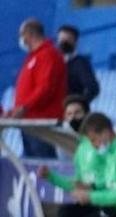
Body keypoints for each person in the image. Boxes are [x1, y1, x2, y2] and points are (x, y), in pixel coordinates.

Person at [3, 18, 67, 158]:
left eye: (22, 35)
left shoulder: (48, 55)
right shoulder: (33, 57)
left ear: (29, 34)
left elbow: (46, 87)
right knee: (31, 164)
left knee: (42, 164)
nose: (21, 40)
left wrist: (25, 107)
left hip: (41, 123)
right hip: (29, 122)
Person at [57, 24, 100, 103]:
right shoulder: (53, 62)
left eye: (68, 39)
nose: (63, 43)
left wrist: (79, 105)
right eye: (61, 39)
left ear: (76, 42)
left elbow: (93, 88)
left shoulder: (81, 63)